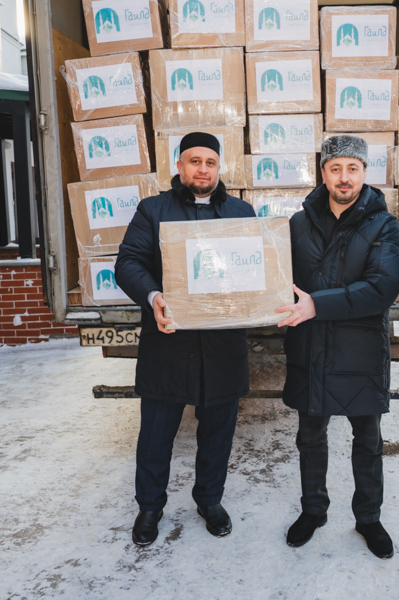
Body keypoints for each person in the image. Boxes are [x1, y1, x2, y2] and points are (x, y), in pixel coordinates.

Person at [115, 132, 256, 547]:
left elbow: (258, 267)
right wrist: (153, 295)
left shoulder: (241, 212)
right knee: (156, 433)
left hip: (223, 343)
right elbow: (129, 262)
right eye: (194, 161)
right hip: (169, 341)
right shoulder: (153, 210)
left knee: (218, 431)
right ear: (179, 166)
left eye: (210, 162)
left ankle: (209, 500)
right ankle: (150, 506)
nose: (203, 170)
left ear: (219, 167)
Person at [276, 135, 399, 559]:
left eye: (352, 168)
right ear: (323, 173)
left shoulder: (382, 225)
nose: (344, 177)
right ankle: (313, 509)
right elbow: (277, 278)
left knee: (367, 438)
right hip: (310, 346)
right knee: (310, 436)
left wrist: (316, 305)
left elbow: (381, 289)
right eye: (335, 168)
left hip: (359, 351)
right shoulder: (298, 224)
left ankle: (368, 518)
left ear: (365, 172)